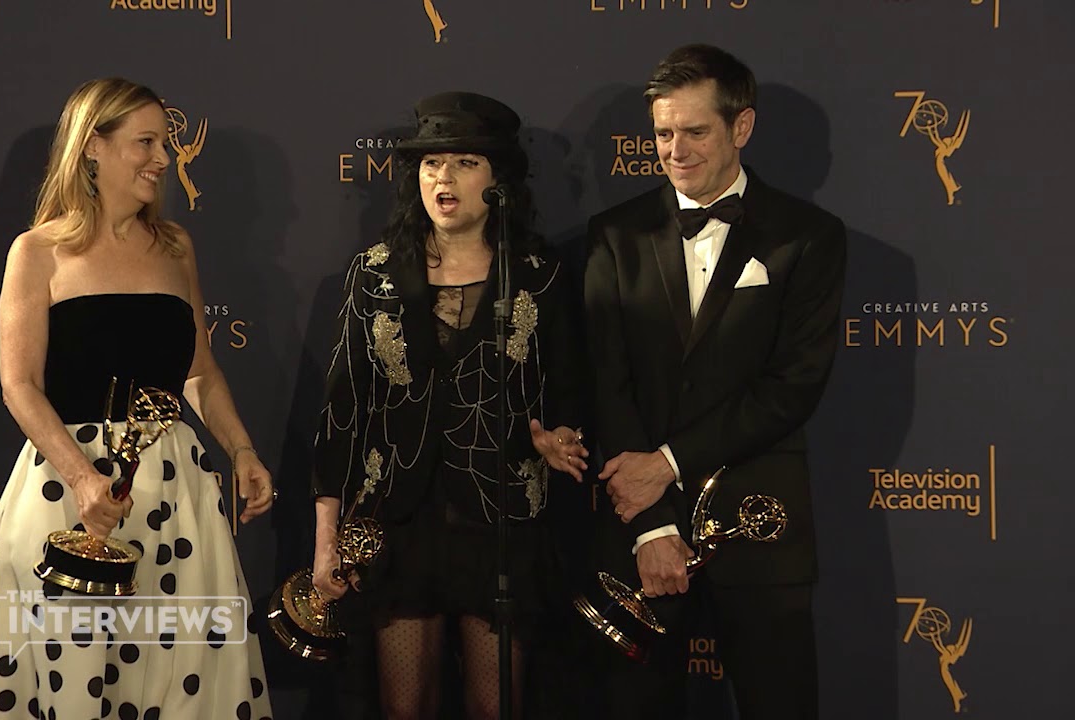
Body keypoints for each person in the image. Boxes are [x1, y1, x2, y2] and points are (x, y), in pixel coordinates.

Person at [0, 78, 274, 719]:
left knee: (180, 683)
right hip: (67, 497)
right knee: (72, 683)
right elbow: (18, 384)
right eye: (147, 142)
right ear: (93, 148)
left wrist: (240, 448)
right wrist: (83, 480)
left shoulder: (175, 246)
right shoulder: (38, 251)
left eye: (167, 143)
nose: (164, 158)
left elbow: (200, 372)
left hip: (176, 496)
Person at [584, 45, 846, 719]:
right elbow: (604, 383)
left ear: (742, 127)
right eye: (663, 134)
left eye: (695, 132)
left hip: (761, 528)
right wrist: (650, 526)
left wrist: (665, 465)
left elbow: (792, 387)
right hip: (639, 535)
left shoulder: (808, 237)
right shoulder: (614, 236)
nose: (675, 150)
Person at [310, 91, 586, 720]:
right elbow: (341, 416)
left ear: (499, 180)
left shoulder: (539, 274)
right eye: (432, 164)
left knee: (499, 708)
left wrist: (554, 438)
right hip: (397, 529)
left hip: (501, 526)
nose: (444, 178)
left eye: (464, 162)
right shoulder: (373, 274)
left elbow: (570, 393)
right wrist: (326, 540)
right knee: (405, 709)